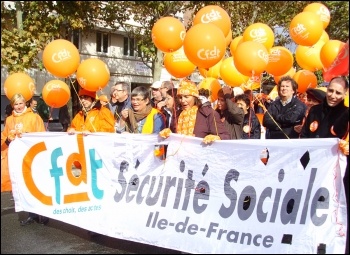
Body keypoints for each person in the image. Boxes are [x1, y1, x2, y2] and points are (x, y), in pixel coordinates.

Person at [300, 76, 349, 254]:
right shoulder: (314, 111)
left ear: (345, 94)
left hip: (337, 177)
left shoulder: (347, 114)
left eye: (338, 92)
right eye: (331, 90)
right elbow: (304, 137)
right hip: (314, 172)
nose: (333, 95)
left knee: (331, 213)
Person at [1, 93, 49, 225]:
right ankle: (32, 214)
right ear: (12, 105)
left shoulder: (34, 117)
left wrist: (28, 136)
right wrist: (8, 139)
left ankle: (44, 213)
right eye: (15, 104)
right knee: (25, 185)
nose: (18, 106)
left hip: (33, 155)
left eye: (20, 103)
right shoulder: (10, 120)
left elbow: (41, 135)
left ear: (25, 103)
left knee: (37, 184)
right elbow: (5, 137)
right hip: (18, 158)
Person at [159, 79, 230, 144]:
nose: (183, 101)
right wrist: (169, 133)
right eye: (180, 97)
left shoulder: (208, 113)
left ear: (195, 97)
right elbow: (173, 133)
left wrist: (217, 138)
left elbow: (225, 136)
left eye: (186, 97)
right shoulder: (177, 114)